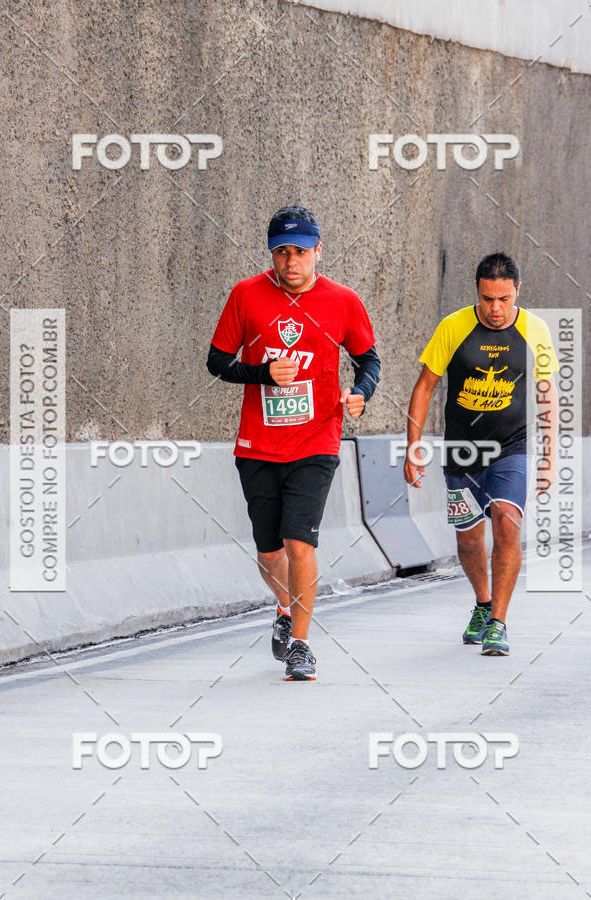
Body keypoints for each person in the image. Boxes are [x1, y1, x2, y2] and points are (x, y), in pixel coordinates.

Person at [207, 206, 380, 680]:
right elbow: (217, 362)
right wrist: (261, 374)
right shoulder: (246, 295)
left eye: (300, 251)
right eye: (281, 252)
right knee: (269, 552)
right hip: (258, 446)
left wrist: (360, 393)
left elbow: (369, 361)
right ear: (272, 254)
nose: (291, 261)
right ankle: (284, 610)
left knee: (298, 542)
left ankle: (301, 644)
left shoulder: (342, 301)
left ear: (318, 251)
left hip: (317, 442)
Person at [404, 252, 558, 656]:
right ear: (478, 292)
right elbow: (424, 388)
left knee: (507, 526)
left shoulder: (535, 330)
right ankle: (482, 604)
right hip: (462, 450)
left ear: (517, 292)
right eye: (488, 299)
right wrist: (413, 447)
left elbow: (547, 394)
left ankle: (499, 623)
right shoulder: (453, 327)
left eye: (503, 299)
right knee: (470, 542)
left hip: (512, 447)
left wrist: (550, 456)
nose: (495, 309)